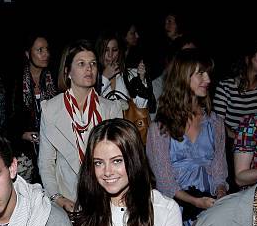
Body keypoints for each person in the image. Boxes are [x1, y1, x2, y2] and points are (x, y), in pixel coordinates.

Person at [146, 49, 228, 226]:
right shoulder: (160, 128)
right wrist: (195, 202)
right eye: (200, 73)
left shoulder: (215, 123)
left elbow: (219, 171)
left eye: (208, 74)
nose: (207, 79)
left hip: (210, 207)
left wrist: (221, 196)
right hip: (175, 211)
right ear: (183, 76)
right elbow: (165, 181)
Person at [38, 39, 122, 213]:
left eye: (92, 64)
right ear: (68, 71)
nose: (89, 69)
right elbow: (46, 162)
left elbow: (120, 159)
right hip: (68, 199)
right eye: (81, 64)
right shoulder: (51, 110)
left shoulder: (111, 108)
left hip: (105, 198)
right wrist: (57, 198)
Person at [9, 33, 57, 183]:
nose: (45, 54)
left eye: (47, 49)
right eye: (40, 50)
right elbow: (7, 120)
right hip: (24, 150)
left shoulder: (54, 78)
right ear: (27, 54)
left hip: (52, 145)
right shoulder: (16, 82)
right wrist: (23, 135)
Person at [213, 40, 257, 140]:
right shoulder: (226, 86)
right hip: (231, 143)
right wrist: (241, 140)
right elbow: (217, 124)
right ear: (248, 59)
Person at [95, 31, 154, 111]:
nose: (110, 55)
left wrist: (141, 79)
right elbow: (91, 105)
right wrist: (104, 78)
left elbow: (142, 107)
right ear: (100, 52)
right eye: (106, 50)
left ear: (119, 52)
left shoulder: (130, 74)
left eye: (114, 50)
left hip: (128, 123)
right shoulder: (92, 78)